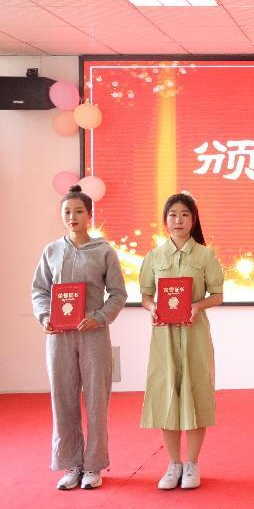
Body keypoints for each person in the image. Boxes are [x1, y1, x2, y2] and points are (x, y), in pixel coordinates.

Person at [31, 185, 127, 490]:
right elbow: (39, 290)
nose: (72, 217)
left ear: (89, 214)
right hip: (59, 337)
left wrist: (99, 317)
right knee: (63, 400)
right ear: (61, 215)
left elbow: (119, 294)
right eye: (67, 212)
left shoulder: (104, 251)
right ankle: (72, 464)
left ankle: (94, 465)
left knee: (97, 400)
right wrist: (44, 316)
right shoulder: (51, 251)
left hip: (93, 335)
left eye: (79, 211)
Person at [139, 192, 224, 490]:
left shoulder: (205, 256)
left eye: (185, 214)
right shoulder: (154, 256)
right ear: (165, 221)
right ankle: (173, 464)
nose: (179, 220)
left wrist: (198, 306)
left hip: (194, 335)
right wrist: (152, 308)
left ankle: (192, 464)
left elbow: (217, 295)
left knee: (196, 392)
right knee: (167, 394)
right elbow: (146, 295)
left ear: (193, 220)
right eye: (173, 214)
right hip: (163, 336)